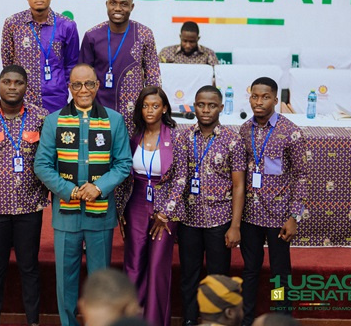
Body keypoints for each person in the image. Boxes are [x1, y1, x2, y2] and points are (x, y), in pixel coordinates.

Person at [34, 63, 133, 326]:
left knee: (100, 279)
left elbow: (123, 163)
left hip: (100, 215)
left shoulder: (114, 120)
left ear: (98, 85)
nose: (83, 90)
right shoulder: (54, 121)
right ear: (69, 87)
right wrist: (69, 190)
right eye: (76, 85)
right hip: (65, 214)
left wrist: (98, 187)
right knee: (65, 278)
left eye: (89, 83)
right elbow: (41, 164)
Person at [0, 65, 49, 326]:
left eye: (18, 82)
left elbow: (50, 160)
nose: (12, 87)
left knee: (29, 268)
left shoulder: (41, 118)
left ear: (26, 86)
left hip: (29, 208)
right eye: (7, 81)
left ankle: (33, 322)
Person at [239, 77, 308, 326]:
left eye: (265, 97)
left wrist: (294, 217)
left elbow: (301, 176)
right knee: (250, 270)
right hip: (249, 215)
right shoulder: (245, 130)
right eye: (255, 96)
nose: (259, 102)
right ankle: (247, 319)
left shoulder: (291, 132)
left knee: (279, 274)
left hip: (279, 216)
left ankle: (281, 317)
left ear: (276, 100)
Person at [116, 86, 186, 326]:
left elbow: (181, 178)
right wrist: (119, 209)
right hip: (136, 203)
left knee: (157, 268)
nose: (149, 110)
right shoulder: (133, 135)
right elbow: (123, 174)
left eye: (155, 106)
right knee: (134, 264)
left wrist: (166, 212)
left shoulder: (176, 136)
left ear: (164, 108)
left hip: (165, 210)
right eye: (145, 106)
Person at [178, 86, 246, 326]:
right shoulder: (184, 136)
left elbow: (239, 186)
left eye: (211, 105)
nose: (205, 110)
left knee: (218, 277)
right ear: (194, 106)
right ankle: (189, 319)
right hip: (189, 220)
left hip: (219, 220)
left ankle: (217, 322)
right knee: (189, 275)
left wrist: (235, 226)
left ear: (221, 107)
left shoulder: (233, 140)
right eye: (200, 104)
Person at [79, 0, 161, 135]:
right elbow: (82, 77)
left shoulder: (144, 34)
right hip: (99, 112)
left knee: (128, 157)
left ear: (132, 7)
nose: (118, 8)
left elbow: (153, 76)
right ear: (107, 4)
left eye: (124, 4)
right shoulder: (92, 35)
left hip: (134, 115)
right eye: (113, 3)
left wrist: (150, 110)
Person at [1, 0, 80, 113]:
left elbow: (72, 64)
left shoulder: (67, 25)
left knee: (56, 135)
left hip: (55, 99)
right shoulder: (13, 24)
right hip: (22, 99)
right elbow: (7, 64)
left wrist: (60, 85)